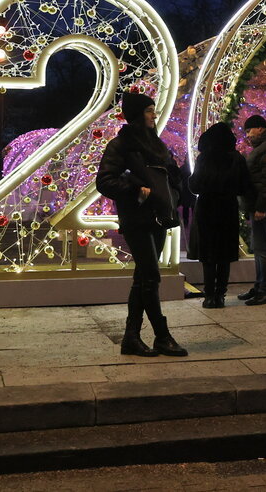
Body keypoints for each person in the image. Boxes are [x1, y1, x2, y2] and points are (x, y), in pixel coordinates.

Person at [96, 91, 187, 357]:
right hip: (136, 218)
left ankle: (131, 338)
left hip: (159, 216)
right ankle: (162, 335)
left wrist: (174, 189)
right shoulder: (120, 145)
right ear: (137, 115)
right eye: (149, 110)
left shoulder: (157, 144)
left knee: (144, 278)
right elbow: (105, 181)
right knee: (151, 276)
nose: (154, 115)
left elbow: (173, 174)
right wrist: (136, 189)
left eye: (153, 110)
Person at [187, 122, 253, 309]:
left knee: (208, 255)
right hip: (227, 208)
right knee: (224, 255)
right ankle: (220, 295)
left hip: (207, 209)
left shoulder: (204, 159)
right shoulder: (236, 159)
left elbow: (195, 185)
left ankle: (209, 296)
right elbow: (244, 186)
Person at [237, 114, 266, 306]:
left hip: (261, 206)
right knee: (259, 247)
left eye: (249, 131)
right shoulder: (265, 146)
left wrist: (261, 208)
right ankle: (260, 286)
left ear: (260, 128)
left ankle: (265, 291)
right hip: (258, 204)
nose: (248, 135)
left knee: (263, 248)